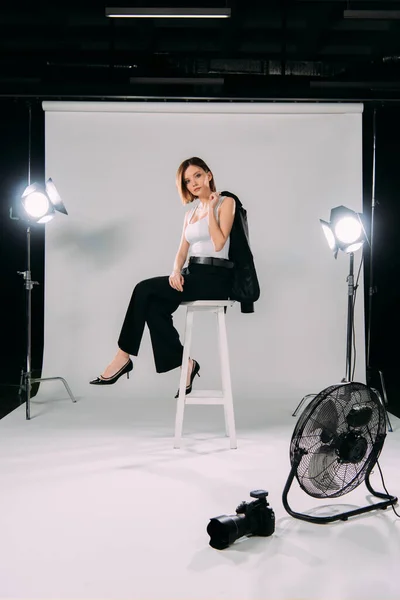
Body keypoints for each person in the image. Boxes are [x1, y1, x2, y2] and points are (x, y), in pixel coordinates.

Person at [90, 157, 236, 397]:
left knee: (143, 289)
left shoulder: (225, 203)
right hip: (193, 273)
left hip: (215, 277)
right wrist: (175, 271)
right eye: (188, 181)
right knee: (153, 307)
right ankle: (185, 364)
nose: (194, 183)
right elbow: (182, 251)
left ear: (209, 175)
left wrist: (210, 209)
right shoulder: (189, 214)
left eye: (198, 175)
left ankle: (122, 356)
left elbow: (219, 243)